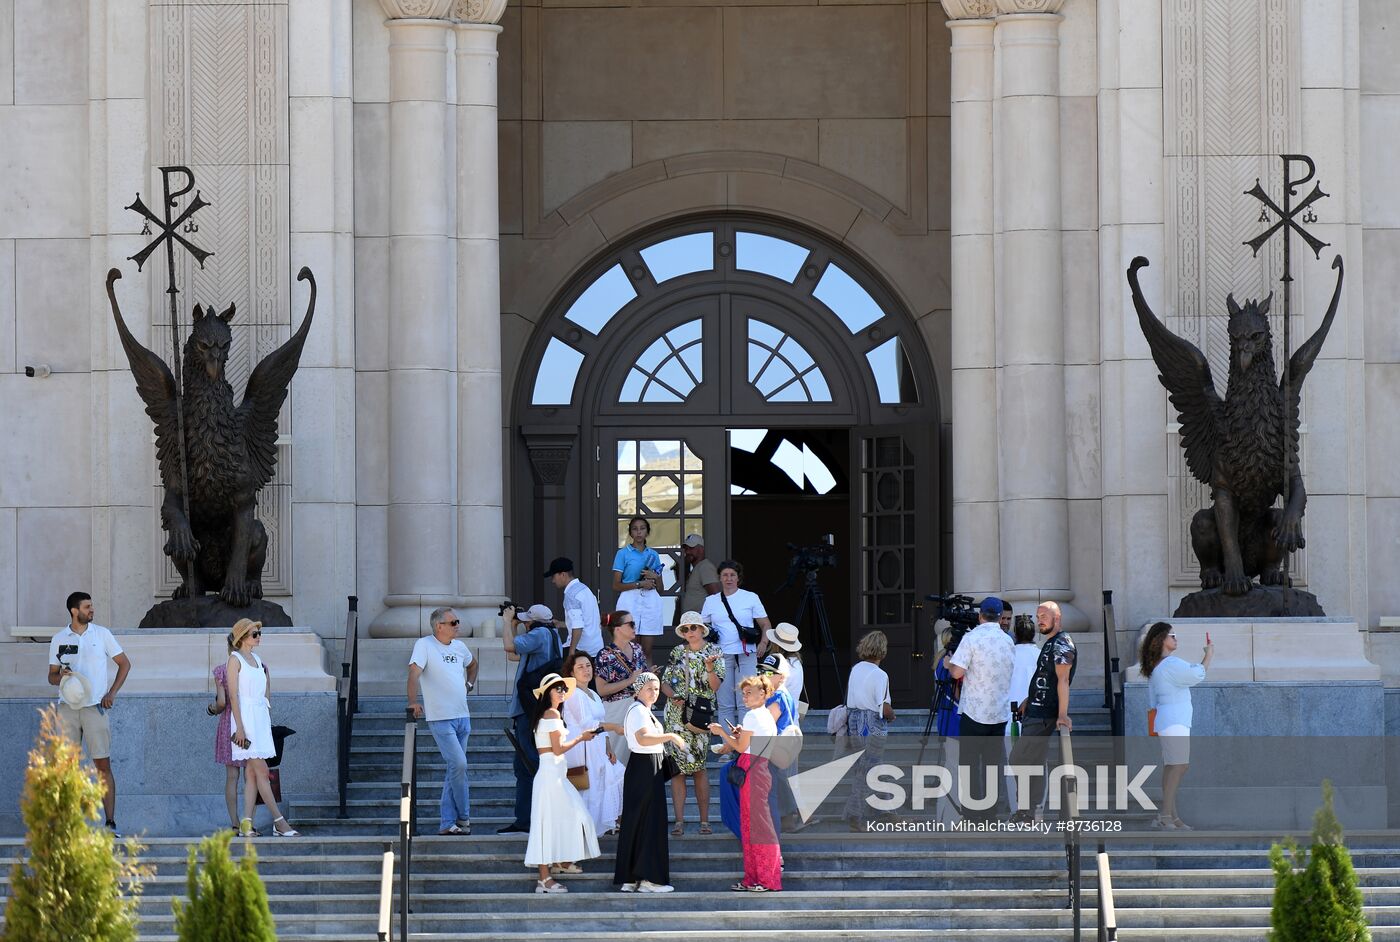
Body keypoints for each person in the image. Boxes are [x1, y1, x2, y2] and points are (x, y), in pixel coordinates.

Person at [48, 591, 132, 836]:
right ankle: (68, 825)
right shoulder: (58, 638)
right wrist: (60, 676)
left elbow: (125, 664)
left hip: (95, 707)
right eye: (87, 607)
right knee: (67, 767)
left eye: (91, 607)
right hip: (67, 708)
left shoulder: (102, 634)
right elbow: (51, 676)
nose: (91, 610)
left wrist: (111, 693)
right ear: (75, 611)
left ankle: (110, 824)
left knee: (102, 765)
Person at [524, 672, 602, 893]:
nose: (562, 692)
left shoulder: (551, 715)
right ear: (548, 692)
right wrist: (581, 738)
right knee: (550, 823)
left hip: (554, 774)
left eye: (563, 688)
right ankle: (544, 879)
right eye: (557, 688)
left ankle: (558, 863)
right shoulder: (551, 715)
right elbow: (558, 749)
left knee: (569, 817)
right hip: (551, 775)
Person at [408, 606, 480, 835]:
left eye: (457, 622)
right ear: (439, 626)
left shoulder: (460, 647)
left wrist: (469, 685)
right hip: (441, 718)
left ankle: (447, 823)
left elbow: (473, 664)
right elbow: (413, 674)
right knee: (459, 765)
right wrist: (413, 701)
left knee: (455, 769)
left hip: (463, 716)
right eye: (453, 623)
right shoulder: (424, 644)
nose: (457, 626)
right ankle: (464, 817)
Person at [614, 671, 686, 893]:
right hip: (645, 767)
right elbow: (642, 738)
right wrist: (671, 736)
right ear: (638, 690)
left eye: (656, 689)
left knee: (640, 822)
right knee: (650, 822)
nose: (654, 693)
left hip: (645, 767)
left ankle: (633, 877)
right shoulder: (638, 711)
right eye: (649, 689)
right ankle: (649, 879)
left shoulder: (641, 710)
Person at [945, 598, 1015, 822]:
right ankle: (991, 813)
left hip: (975, 711)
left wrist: (948, 664)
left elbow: (956, 673)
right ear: (998, 616)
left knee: (970, 763)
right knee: (993, 765)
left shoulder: (972, 638)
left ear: (980, 615)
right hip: (999, 712)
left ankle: (973, 813)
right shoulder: (1007, 641)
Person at [709, 675, 781, 892]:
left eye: (749, 692)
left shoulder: (752, 716)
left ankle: (764, 879)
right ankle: (755, 878)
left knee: (757, 827)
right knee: (755, 826)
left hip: (753, 770)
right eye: (744, 692)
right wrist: (738, 737)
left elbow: (740, 748)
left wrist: (721, 732)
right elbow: (746, 744)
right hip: (759, 768)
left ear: (763, 694)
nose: (745, 696)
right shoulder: (764, 715)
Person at [227, 618, 298, 837]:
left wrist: (265, 713)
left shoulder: (257, 659)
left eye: (259, 633)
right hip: (245, 720)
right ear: (242, 637)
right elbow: (233, 696)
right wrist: (239, 727)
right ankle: (279, 821)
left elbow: (264, 691)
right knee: (262, 772)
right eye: (254, 633)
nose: (258, 636)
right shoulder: (235, 659)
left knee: (252, 773)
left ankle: (246, 824)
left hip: (259, 718)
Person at [1140, 621, 1213, 830]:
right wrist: (1209, 654)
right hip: (1174, 719)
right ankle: (1165, 815)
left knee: (1174, 766)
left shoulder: (1158, 667)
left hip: (1168, 719)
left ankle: (1172, 815)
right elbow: (1197, 674)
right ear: (1162, 639)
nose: (1175, 638)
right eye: (1172, 635)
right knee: (1178, 766)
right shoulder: (1170, 664)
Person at [501, 603, 567, 833]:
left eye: (527, 620)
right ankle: (524, 820)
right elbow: (514, 657)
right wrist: (515, 625)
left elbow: (508, 646)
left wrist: (506, 621)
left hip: (529, 710)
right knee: (523, 766)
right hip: (537, 708)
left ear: (534, 622)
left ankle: (539, 818)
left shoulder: (538, 634)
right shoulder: (552, 635)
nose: (524, 623)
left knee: (531, 763)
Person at [1009, 602, 1076, 823]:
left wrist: (1062, 714)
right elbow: (1044, 677)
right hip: (1034, 709)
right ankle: (1028, 812)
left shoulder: (1062, 643)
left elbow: (1063, 679)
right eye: (1038, 617)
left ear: (1058, 617)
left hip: (1044, 715)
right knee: (1031, 762)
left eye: (1044, 616)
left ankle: (1028, 809)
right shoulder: (1049, 644)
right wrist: (1029, 698)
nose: (1040, 621)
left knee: (1018, 758)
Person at [660, 610, 723, 836]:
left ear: (702, 629)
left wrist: (708, 667)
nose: (689, 632)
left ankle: (704, 821)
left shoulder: (714, 651)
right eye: (685, 629)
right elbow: (665, 681)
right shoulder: (677, 651)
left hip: (699, 716)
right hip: (676, 716)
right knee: (677, 771)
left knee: (699, 769)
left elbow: (715, 686)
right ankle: (679, 821)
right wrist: (671, 696)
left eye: (693, 628)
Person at [560, 651, 625, 836]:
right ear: (572, 673)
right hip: (581, 744)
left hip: (598, 744)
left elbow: (600, 719)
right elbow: (587, 724)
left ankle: (603, 825)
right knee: (588, 785)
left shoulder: (594, 695)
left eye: (588, 665)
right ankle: (585, 829)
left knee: (614, 776)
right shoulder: (573, 694)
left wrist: (609, 747)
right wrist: (614, 727)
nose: (586, 670)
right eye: (580, 667)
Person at [701, 560, 772, 728]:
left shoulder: (750, 597)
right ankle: (727, 748)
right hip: (721, 655)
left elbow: (765, 624)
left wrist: (763, 643)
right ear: (719, 577)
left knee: (746, 701)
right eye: (725, 575)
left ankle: (745, 748)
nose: (729, 578)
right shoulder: (711, 601)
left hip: (746, 654)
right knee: (725, 704)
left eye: (732, 575)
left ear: (738, 578)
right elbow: (702, 629)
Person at [209, 631, 268, 832]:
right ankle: (248, 822)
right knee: (251, 776)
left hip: (230, 726)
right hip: (250, 724)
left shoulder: (222, 670)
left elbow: (222, 702)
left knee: (232, 777)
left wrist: (211, 709)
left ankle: (234, 823)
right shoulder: (259, 665)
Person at [842, 630, 894, 831]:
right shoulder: (881, 675)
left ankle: (888, 810)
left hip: (854, 719)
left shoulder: (856, 669)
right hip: (872, 722)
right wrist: (892, 715)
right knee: (868, 768)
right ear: (882, 651)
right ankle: (855, 814)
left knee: (872, 766)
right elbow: (883, 706)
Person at [595, 610, 649, 769]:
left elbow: (641, 675)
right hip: (616, 711)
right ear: (617, 629)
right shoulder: (605, 655)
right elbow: (601, 690)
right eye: (631, 624)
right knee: (616, 761)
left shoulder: (637, 649)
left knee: (638, 761)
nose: (635, 627)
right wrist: (630, 680)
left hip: (638, 707)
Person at [612, 516, 665, 663]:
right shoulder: (622, 553)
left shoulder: (653, 554)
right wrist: (639, 584)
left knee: (646, 650)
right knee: (630, 648)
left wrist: (655, 576)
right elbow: (616, 585)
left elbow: (661, 589)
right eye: (635, 529)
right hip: (630, 600)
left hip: (650, 600)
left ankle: (649, 684)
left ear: (647, 532)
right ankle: (630, 684)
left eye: (642, 528)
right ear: (630, 533)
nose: (639, 532)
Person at [1004, 613, 1040, 816]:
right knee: (1037, 764)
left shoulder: (1008, 655)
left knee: (1013, 765)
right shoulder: (1042, 654)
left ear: (1015, 634)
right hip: (1036, 718)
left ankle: (1016, 808)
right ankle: (1035, 808)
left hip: (1011, 717)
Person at [546, 556, 603, 658]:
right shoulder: (585, 589)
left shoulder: (571, 595)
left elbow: (578, 626)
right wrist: (562, 624)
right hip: (596, 648)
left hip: (581, 650)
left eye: (553, 576)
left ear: (562, 574)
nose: (553, 581)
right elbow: (587, 620)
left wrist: (572, 652)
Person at [765, 623, 805, 711]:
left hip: (773, 719)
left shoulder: (773, 661)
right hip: (792, 718)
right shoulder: (797, 663)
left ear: (775, 643)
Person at [679, 533, 721, 616]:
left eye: (691, 548)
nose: (687, 552)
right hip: (693, 621)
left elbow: (716, 596)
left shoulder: (705, 567)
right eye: (686, 549)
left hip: (701, 621)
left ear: (701, 549)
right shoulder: (697, 568)